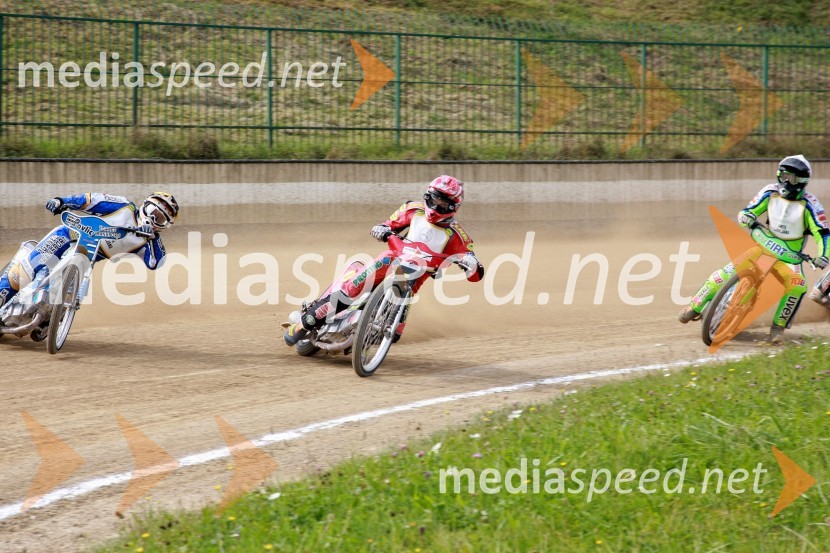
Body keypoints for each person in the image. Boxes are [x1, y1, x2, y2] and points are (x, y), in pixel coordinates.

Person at [283, 175, 485, 346]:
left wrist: (472, 264)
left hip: (413, 280)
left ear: (453, 205)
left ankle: (362, 338)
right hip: (390, 260)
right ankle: (302, 324)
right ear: (427, 196)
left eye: (442, 202)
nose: (436, 205)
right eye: (434, 199)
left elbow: (475, 269)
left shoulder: (458, 235)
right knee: (352, 288)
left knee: (394, 334)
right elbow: (387, 224)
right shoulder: (412, 209)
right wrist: (382, 228)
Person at [678, 155, 829, 342]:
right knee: (723, 274)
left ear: (802, 182)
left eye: (792, 178)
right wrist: (746, 217)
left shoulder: (811, 205)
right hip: (761, 246)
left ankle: (778, 328)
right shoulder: (769, 192)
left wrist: (823, 255)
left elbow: (822, 233)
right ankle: (694, 307)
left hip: (789, 257)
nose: (786, 181)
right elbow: (748, 210)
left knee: (798, 287)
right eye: (784, 175)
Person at [0, 192, 179, 308]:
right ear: (145, 205)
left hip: (87, 259)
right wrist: (62, 201)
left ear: (163, 226)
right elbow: (91, 200)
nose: (153, 218)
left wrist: (153, 238)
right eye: (152, 211)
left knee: (68, 296)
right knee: (23, 274)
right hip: (69, 236)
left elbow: (156, 263)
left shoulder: (145, 241)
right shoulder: (124, 206)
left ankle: (48, 319)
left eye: (160, 219)